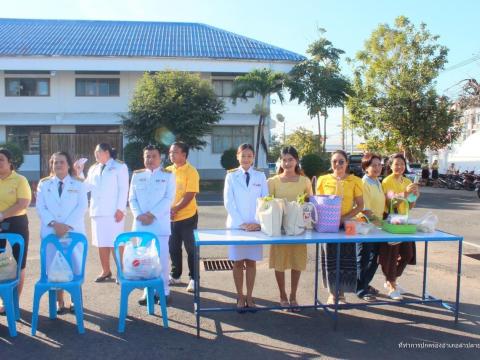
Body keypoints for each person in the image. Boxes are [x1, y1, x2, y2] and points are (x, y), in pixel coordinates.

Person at [36, 152, 88, 313]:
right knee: (54, 267)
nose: (58, 165)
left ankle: (75, 300)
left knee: (75, 265)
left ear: (68, 164)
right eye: (55, 162)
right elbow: (40, 207)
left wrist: (66, 225)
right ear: (51, 165)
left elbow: (82, 206)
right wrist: (54, 223)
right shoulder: (44, 184)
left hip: (73, 231)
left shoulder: (79, 183)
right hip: (51, 232)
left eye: (62, 162)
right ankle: (60, 301)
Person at [224, 143, 268, 312]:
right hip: (236, 226)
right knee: (237, 263)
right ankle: (240, 296)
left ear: (253, 158)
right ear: (238, 157)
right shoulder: (231, 176)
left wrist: (256, 222)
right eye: (243, 155)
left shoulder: (260, 176)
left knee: (251, 263)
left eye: (249, 156)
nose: (246, 159)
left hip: (255, 227)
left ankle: (250, 295)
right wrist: (242, 223)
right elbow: (228, 202)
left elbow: (265, 201)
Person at [129, 145, 176, 305]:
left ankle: (164, 290)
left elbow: (168, 198)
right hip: (141, 225)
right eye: (147, 156)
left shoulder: (168, 176)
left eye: (153, 156)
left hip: (159, 225)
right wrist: (139, 215)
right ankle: (147, 291)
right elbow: (132, 199)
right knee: (143, 260)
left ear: (160, 158)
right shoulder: (137, 175)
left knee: (162, 260)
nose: (150, 159)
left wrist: (151, 215)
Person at [267, 146, 313, 311]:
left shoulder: (305, 181)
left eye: (290, 160)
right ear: (280, 161)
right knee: (280, 264)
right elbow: (267, 204)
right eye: (284, 159)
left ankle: (293, 296)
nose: (287, 163)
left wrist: (309, 223)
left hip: (298, 229)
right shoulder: (272, 181)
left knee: (296, 263)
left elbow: (310, 203)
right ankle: (282, 295)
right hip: (279, 230)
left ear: (296, 161)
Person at [75, 143, 129, 282]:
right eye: (95, 152)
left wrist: (120, 209)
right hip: (97, 211)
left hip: (113, 212)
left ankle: (121, 271)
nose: (96, 154)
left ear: (107, 152)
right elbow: (85, 187)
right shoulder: (93, 168)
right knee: (101, 242)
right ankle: (106, 270)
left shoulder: (119, 166)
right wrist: (79, 172)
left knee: (115, 242)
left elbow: (123, 189)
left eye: (98, 152)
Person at [316, 150, 364, 305]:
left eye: (341, 161)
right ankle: (332, 294)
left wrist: (344, 218)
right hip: (328, 224)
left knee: (347, 259)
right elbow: (318, 202)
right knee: (330, 258)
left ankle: (342, 294)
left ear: (347, 163)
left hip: (349, 224)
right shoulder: (322, 179)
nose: (338, 164)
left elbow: (360, 205)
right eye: (334, 161)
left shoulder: (355, 180)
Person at [379, 153, 420, 300]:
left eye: (402, 164)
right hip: (391, 220)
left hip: (404, 220)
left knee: (408, 254)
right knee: (391, 254)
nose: (399, 167)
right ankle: (391, 285)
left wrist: (415, 195)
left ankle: (392, 280)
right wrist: (405, 192)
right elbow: (391, 202)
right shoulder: (386, 181)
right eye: (396, 164)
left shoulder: (407, 180)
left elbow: (410, 204)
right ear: (390, 166)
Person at [0, 148, 31, 315]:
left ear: (10, 162)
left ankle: (13, 302)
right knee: (0, 264)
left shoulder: (20, 180)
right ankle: (2, 300)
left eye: (1, 160)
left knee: (19, 264)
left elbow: (23, 203)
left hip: (16, 223)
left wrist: (2, 215)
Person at [167, 142, 200, 293]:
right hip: (170, 218)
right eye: (170, 152)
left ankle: (194, 278)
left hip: (188, 216)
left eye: (174, 152)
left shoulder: (191, 171)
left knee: (191, 248)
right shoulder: (167, 171)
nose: (171, 155)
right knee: (173, 248)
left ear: (184, 155)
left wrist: (175, 208)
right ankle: (175, 275)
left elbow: (190, 194)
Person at [356, 153, 383, 302]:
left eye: (379, 165)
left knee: (375, 258)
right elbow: (364, 209)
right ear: (366, 167)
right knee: (364, 258)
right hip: (364, 227)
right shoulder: (364, 183)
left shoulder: (378, 182)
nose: (377, 168)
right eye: (374, 165)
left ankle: (365, 284)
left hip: (377, 229)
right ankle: (360, 289)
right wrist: (380, 222)